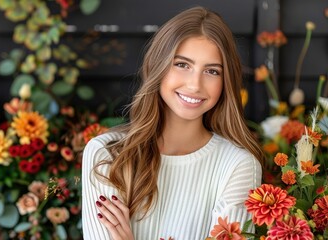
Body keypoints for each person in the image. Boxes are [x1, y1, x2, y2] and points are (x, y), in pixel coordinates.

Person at [81, 6, 264, 240]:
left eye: (212, 71)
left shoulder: (238, 166)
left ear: (226, 81)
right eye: (182, 65)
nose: (195, 84)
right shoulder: (106, 155)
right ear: (158, 66)